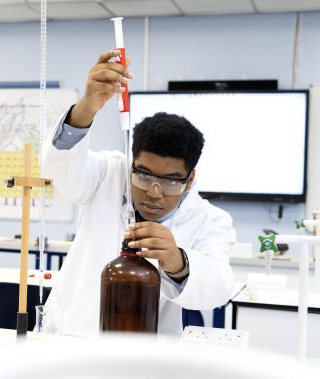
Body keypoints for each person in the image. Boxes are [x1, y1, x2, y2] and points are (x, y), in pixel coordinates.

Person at [42, 50, 236, 337]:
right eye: (143, 176)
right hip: (74, 338)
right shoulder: (109, 174)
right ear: (132, 163)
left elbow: (219, 287)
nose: (154, 193)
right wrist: (87, 107)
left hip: (146, 359)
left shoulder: (210, 220)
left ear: (190, 179)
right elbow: (60, 167)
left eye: (170, 182)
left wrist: (176, 259)